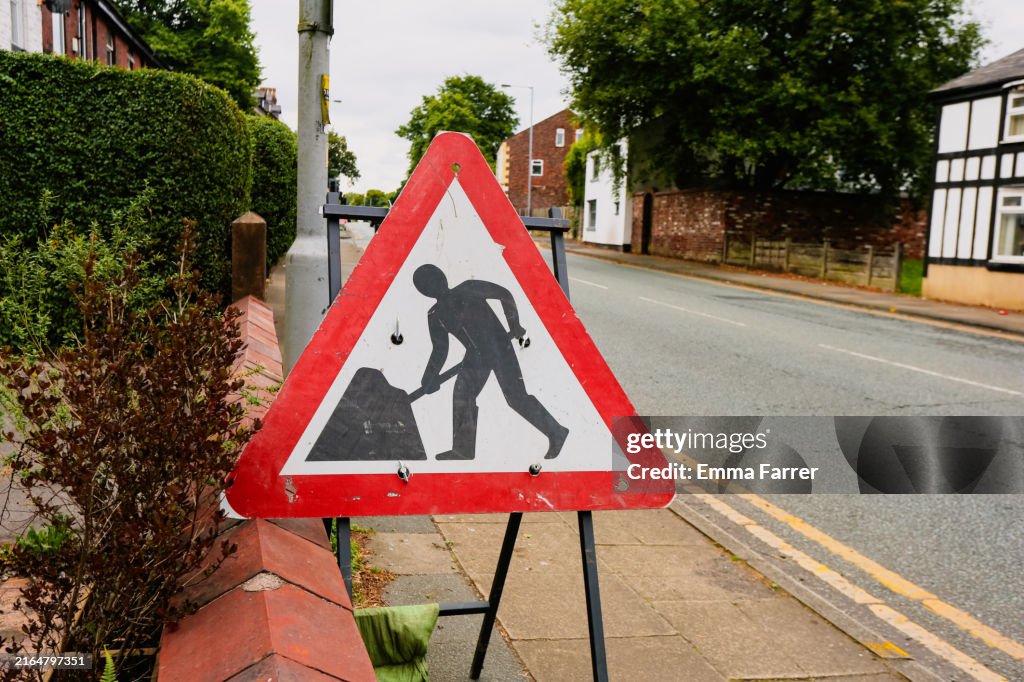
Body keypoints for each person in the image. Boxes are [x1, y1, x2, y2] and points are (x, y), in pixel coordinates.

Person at [413, 264, 569, 461]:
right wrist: (429, 378)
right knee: (462, 395)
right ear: (424, 291)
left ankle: (556, 432)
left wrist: (514, 324)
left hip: (498, 345)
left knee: (516, 397)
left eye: (435, 280)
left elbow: (504, 294)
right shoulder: (435, 314)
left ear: (443, 277)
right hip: (474, 356)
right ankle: (463, 449)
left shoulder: (468, 288)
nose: (434, 286)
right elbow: (440, 349)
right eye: (427, 285)